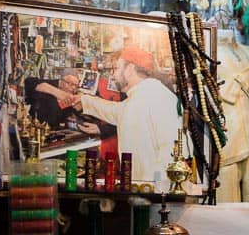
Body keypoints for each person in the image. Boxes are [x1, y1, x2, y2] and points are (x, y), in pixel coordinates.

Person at [72, 47, 180, 188]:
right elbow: (116, 111)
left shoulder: (155, 96)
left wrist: (156, 188)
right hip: (143, 188)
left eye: (116, 69)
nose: (113, 75)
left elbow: (171, 150)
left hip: (155, 191)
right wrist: (85, 100)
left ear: (129, 69)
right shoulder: (141, 96)